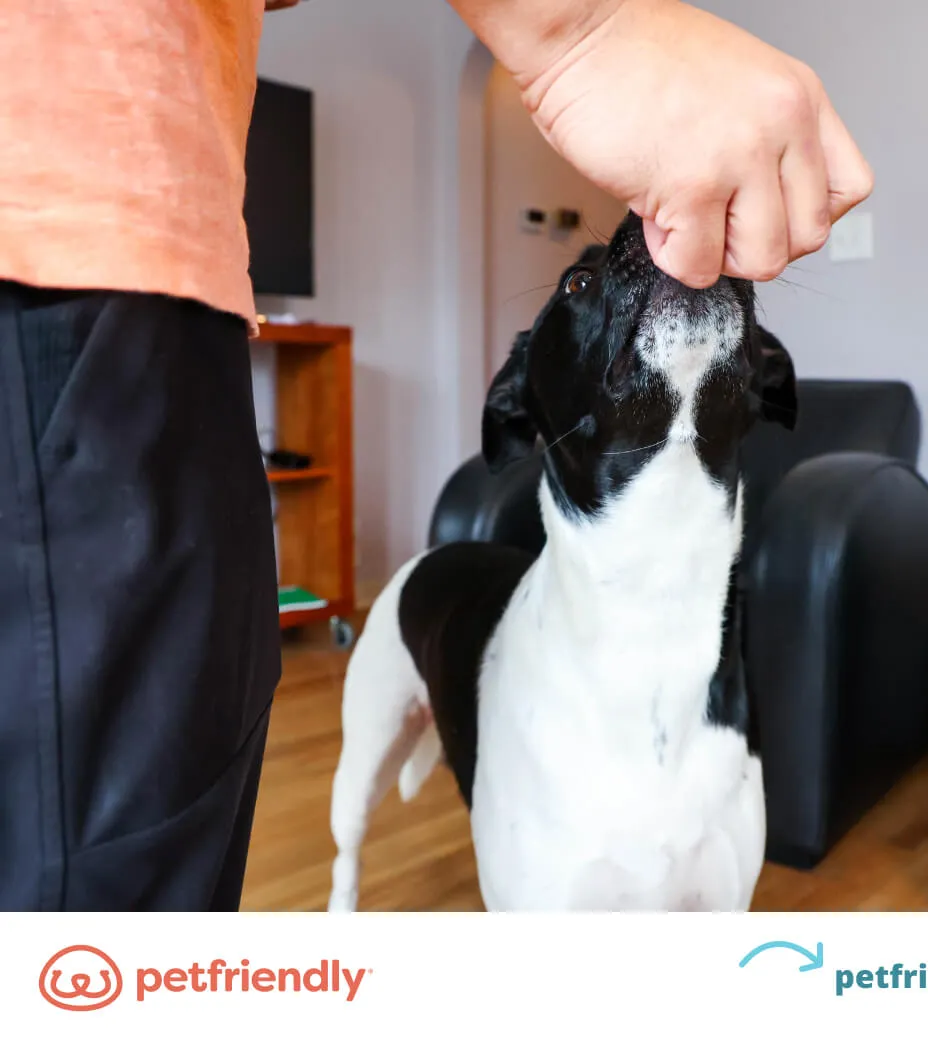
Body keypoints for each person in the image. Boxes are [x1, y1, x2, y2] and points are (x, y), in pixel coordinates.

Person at [0, 0, 872, 911]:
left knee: (158, 862)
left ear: (758, 378)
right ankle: (341, 888)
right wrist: (582, 27)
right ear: (525, 408)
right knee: (102, 901)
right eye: (580, 285)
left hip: (180, 276)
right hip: (70, 248)